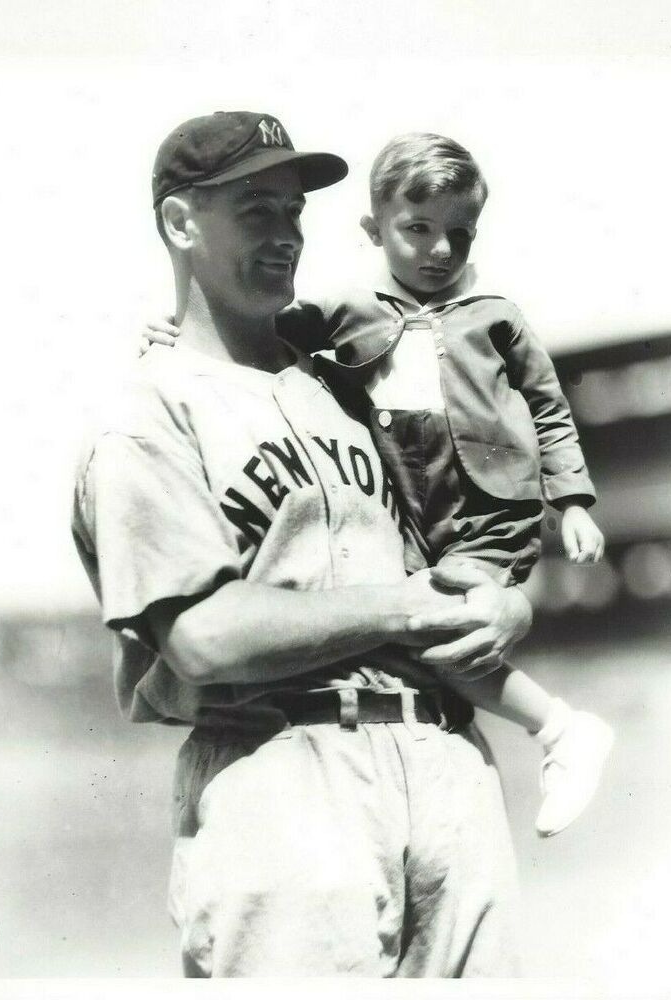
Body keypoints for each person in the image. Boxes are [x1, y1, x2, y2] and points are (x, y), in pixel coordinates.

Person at [73, 111, 533, 977]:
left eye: (294, 212)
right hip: (282, 770)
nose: (287, 235)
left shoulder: (341, 385)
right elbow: (202, 637)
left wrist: (503, 593)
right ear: (180, 224)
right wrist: (407, 605)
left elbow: (458, 520)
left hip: (445, 763)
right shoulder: (152, 414)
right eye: (256, 212)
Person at [143, 130, 614, 838]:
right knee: (436, 626)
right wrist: (172, 331)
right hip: (419, 514)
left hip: (491, 508)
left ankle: (558, 729)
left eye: (458, 234)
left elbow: (549, 409)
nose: (440, 250)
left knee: (443, 631)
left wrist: (572, 501)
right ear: (374, 230)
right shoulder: (349, 314)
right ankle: (554, 728)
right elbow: (265, 336)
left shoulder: (496, 319)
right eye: (417, 229)